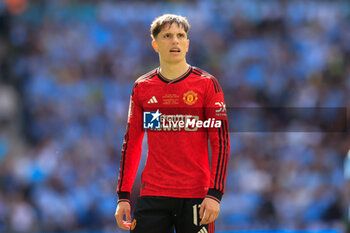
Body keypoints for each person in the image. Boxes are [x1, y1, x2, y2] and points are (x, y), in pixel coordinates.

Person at [115, 14, 230, 233]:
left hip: (196, 195)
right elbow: (132, 143)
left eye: (180, 35)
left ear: (187, 44)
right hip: (153, 195)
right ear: (155, 44)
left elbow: (220, 142)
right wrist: (123, 196)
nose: (175, 41)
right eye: (167, 36)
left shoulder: (207, 85)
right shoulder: (143, 87)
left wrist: (215, 193)